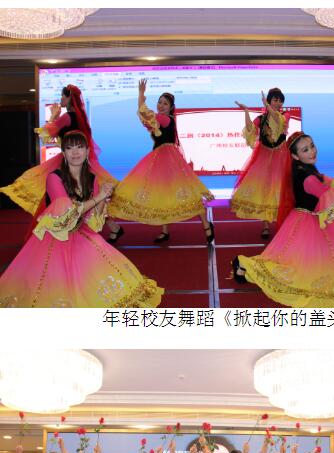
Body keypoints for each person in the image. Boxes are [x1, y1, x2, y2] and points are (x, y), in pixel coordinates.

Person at [0, 131, 164, 308]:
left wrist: (104, 199)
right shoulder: (54, 178)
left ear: (87, 151)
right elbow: (66, 216)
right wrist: (98, 197)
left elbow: (92, 222)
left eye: (79, 147)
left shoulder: (92, 179)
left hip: (81, 234)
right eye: (69, 148)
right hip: (55, 238)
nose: (75, 152)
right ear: (63, 153)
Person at [232, 132, 334, 307]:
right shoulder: (306, 177)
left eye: (312, 146)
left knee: (308, 262)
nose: (312, 151)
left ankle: (245, 265)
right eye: (305, 150)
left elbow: (324, 180)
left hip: (308, 218)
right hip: (306, 223)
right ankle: (243, 264)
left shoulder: (303, 168)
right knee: (297, 270)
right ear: (295, 155)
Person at [108, 79, 215, 244]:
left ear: (171, 107)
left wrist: (141, 94)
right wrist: (141, 96)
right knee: (162, 194)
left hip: (169, 160)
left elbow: (144, 112)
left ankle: (207, 225)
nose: (161, 105)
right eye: (160, 102)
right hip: (159, 160)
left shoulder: (166, 119)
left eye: (165, 103)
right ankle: (165, 231)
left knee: (189, 195)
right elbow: (145, 115)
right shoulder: (159, 120)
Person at [0, 83, 117, 225]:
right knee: (85, 194)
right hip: (83, 162)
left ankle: (59, 225)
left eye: (63, 96)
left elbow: (45, 135)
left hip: (68, 161)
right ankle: (112, 227)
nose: (61, 99)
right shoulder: (81, 117)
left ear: (69, 98)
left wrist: (53, 116)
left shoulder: (67, 116)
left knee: (60, 196)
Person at [231, 88, 293, 237]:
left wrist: (267, 106)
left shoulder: (285, 116)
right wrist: (246, 111)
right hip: (264, 157)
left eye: (280, 101)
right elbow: (250, 129)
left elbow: (277, 120)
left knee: (280, 190)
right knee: (264, 190)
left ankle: (282, 223)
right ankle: (265, 225)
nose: (278, 103)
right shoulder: (261, 118)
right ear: (270, 101)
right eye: (275, 100)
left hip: (281, 157)